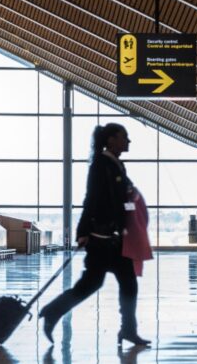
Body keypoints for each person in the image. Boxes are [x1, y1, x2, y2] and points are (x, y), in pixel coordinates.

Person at [39, 123, 151, 347]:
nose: (128, 141)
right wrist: (82, 232)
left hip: (115, 240)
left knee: (128, 284)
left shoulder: (116, 165)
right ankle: (52, 311)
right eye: (124, 137)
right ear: (111, 140)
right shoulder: (101, 165)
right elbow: (91, 198)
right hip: (102, 240)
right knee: (90, 285)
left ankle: (128, 330)